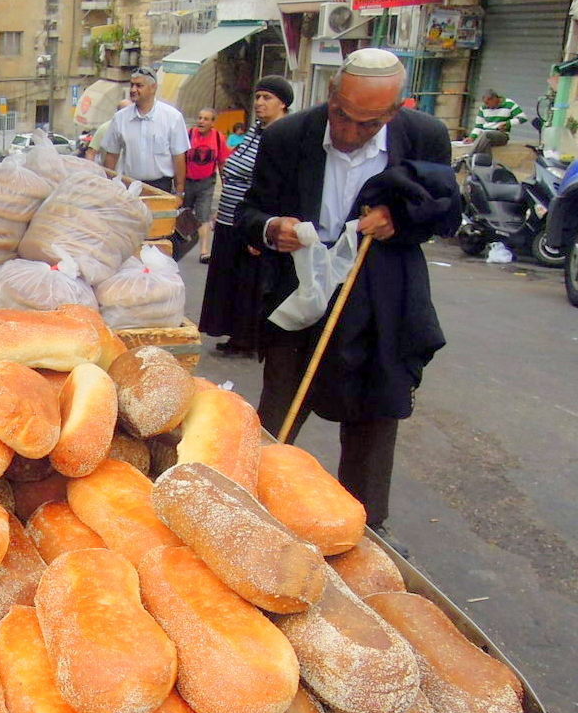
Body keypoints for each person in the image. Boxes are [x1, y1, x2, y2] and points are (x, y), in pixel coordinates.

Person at [238, 48, 454, 537]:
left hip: (380, 298)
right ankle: (251, 515)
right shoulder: (288, 136)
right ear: (331, 95)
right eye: (341, 115)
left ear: (393, 112)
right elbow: (249, 213)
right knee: (277, 416)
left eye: (368, 124)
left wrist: (398, 219)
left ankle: (365, 531)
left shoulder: (425, 137)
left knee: (375, 416)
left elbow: (442, 212)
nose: (350, 132)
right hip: (301, 295)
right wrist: (272, 228)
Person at [199, 77, 292, 358]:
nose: (260, 103)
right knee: (228, 279)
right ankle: (234, 333)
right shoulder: (255, 131)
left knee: (248, 283)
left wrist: (260, 230)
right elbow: (234, 167)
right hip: (230, 216)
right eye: (258, 97)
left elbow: (275, 185)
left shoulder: (283, 135)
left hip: (254, 221)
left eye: (267, 98)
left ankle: (249, 338)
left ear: (283, 103)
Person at [88, 67, 189, 197]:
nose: (133, 90)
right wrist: (107, 187)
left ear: (153, 88)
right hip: (129, 186)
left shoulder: (172, 117)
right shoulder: (120, 118)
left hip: (161, 187)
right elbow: (111, 155)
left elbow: (178, 157)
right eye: (132, 85)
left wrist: (180, 192)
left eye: (139, 86)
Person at [184, 108, 231, 264]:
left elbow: (222, 162)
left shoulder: (218, 138)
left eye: (205, 119)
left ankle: (204, 251)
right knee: (184, 213)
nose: (201, 121)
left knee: (203, 215)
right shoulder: (188, 135)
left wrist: (225, 184)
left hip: (206, 183)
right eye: (200, 118)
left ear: (212, 122)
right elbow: (179, 157)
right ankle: (181, 244)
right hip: (187, 181)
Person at [466, 88, 524, 156]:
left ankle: (469, 156)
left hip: (501, 134)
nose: (486, 105)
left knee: (487, 135)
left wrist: (508, 123)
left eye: (487, 103)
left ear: (494, 99)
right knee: (485, 142)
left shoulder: (509, 104)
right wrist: (472, 137)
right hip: (485, 136)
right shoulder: (483, 108)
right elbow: (479, 126)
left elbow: (522, 118)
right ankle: (483, 160)